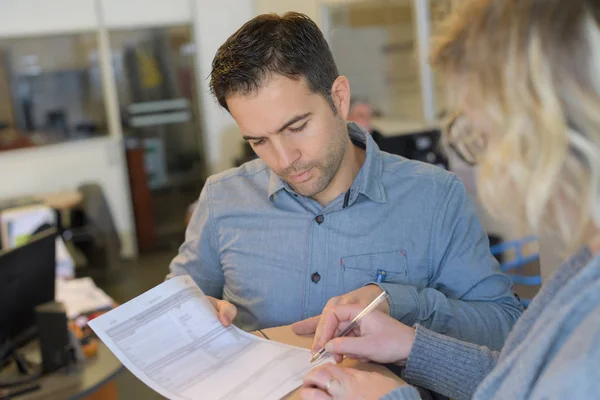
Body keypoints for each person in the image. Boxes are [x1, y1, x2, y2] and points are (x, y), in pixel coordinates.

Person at [167, 12, 522, 351]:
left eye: (297, 127)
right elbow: (167, 315)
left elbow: (503, 328)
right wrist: (193, 318)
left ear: (339, 98)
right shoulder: (221, 198)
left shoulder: (435, 197)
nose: (284, 160)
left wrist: (403, 303)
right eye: (259, 142)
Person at [300, 0, 600, 399]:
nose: (491, 168)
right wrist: (411, 346)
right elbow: (517, 379)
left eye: (487, 136)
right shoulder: (585, 267)